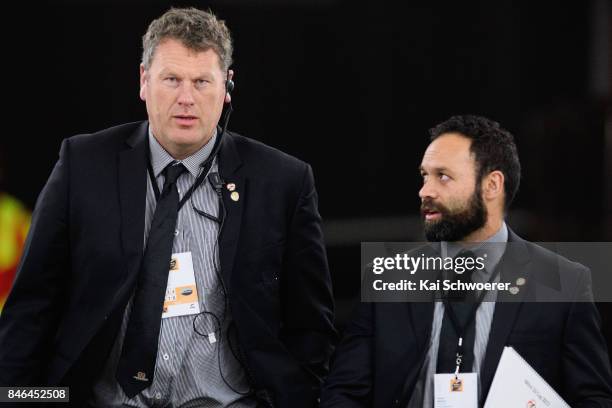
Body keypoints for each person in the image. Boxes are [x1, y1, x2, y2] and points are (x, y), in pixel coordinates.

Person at [0, 7, 336, 408]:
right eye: (172, 79)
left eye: (201, 82)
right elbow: (30, 309)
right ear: (144, 80)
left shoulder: (282, 181)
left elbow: (311, 327)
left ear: (227, 87)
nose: (186, 99)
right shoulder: (83, 164)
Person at [320, 115, 612, 407]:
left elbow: (593, 398)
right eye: (424, 176)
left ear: (492, 185)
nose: (425, 191)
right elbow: (343, 392)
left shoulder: (565, 282)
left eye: (443, 176)